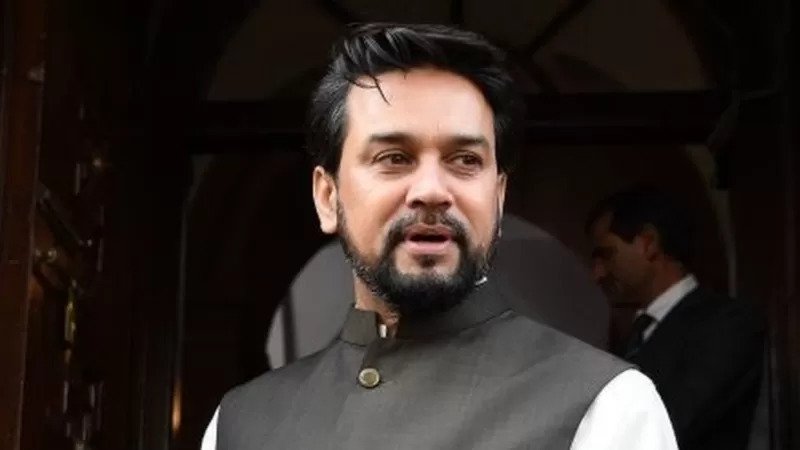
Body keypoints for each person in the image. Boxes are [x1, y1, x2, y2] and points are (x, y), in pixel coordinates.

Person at [202, 24, 678, 450]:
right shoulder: (239, 424)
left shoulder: (606, 406)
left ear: (498, 196)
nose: (432, 190)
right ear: (328, 198)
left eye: (465, 160)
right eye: (394, 158)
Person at [586, 186, 764, 450]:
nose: (597, 274)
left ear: (648, 243)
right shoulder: (633, 337)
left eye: (607, 255)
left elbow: (668, 424)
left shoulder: (727, 323)